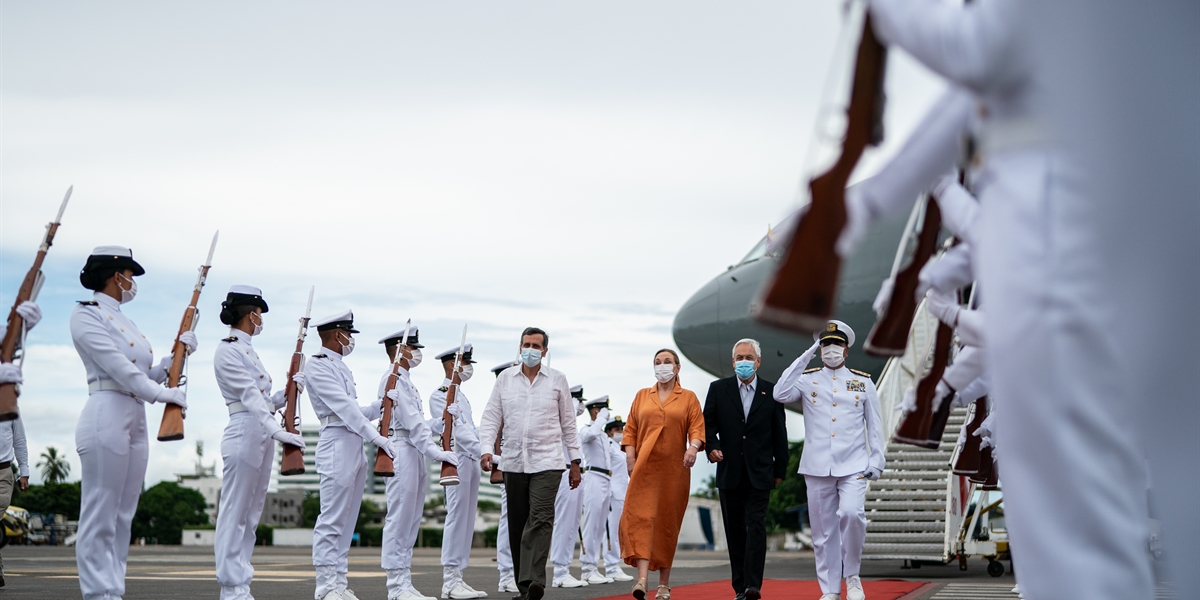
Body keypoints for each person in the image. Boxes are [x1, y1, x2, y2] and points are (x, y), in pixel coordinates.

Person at [70, 246, 193, 600]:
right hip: (105, 408)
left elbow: (144, 372)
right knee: (101, 512)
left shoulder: (127, 321)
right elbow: (116, 367)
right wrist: (159, 394)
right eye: (129, 275)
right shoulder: (86, 314)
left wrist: (176, 358)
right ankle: (97, 594)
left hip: (135, 412)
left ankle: (113, 591)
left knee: (124, 515)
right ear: (114, 275)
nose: (132, 282)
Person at [773, 321, 883, 600]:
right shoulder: (807, 379)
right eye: (825, 344)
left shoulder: (863, 381)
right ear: (819, 349)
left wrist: (876, 460)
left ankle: (853, 576)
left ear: (846, 350)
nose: (831, 349)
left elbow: (876, 426)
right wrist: (806, 355)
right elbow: (780, 393)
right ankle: (831, 589)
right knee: (822, 533)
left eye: (836, 344)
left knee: (852, 514)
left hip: (855, 464)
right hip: (818, 465)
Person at [213, 285, 307, 600]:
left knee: (251, 515)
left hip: (261, 431)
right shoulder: (228, 349)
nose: (261, 319)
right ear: (251, 314)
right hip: (244, 429)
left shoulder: (248, 350)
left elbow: (265, 400)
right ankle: (230, 588)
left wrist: (289, 392)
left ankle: (241, 586)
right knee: (235, 513)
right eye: (259, 313)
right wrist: (277, 431)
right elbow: (250, 397)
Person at [479, 327, 581, 600]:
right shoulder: (505, 380)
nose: (531, 349)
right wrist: (487, 449)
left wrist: (575, 462)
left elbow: (569, 424)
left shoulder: (558, 380)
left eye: (536, 345)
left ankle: (534, 580)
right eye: (526, 344)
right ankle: (525, 588)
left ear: (544, 351)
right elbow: (491, 416)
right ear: (519, 346)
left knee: (541, 519)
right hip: (513, 461)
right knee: (518, 524)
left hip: (548, 462)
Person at [305, 310, 394, 600]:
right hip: (336, 441)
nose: (350, 340)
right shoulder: (317, 366)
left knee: (347, 520)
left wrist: (378, 407)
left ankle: (338, 582)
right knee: (331, 518)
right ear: (336, 334)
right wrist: (375, 436)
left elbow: (354, 408)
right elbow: (343, 409)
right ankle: (325, 585)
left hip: (353, 441)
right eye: (348, 334)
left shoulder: (340, 366)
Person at [377, 325, 460, 600]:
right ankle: (395, 585)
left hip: (414, 450)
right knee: (399, 519)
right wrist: (436, 453)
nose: (416, 353)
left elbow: (418, 422)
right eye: (412, 348)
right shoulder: (393, 380)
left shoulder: (406, 381)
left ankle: (405, 580)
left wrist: (440, 421)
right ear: (401, 350)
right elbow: (411, 424)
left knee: (411, 521)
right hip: (403, 449)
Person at [702, 339, 788, 600]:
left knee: (757, 526)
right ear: (732, 362)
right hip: (730, 470)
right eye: (739, 357)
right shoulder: (718, 389)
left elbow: (779, 434)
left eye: (748, 357)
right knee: (735, 531)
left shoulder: (771, 393)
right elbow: (707, 425)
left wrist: (780, 470)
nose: (744, 362)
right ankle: (739, 586)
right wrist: (711, 447)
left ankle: (753, 585)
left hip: (761, 472)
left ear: (758, 361)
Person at [619, 348, 704, 600]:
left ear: (677, 368)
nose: (662, 366)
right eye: (658, 362)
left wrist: (693, 448)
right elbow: (630, 430)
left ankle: (664, 584)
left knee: (667, 523)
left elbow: (697, 428)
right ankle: (642, 580)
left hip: (674, 471)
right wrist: (630, 459)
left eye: (667, 362)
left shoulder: (688, 397)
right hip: (643, 469)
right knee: (642, 520)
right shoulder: (642, 396)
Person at [428, 343, 487, 600]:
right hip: (457, 461)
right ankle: (449, 581)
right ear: (453, 365)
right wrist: (485, 452)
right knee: (456, 519)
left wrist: (483, 449)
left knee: (466, 520)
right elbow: (460, 434)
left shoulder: (461, 396)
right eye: (466, 363)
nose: (469, 368)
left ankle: (458, 578)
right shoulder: (440, 394)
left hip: (470, 460)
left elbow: (470, 430)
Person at [550, 385, 587, 589]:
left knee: (572, 524)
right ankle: (559, 572)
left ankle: (564, 569)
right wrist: (570, 407)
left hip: (574, 472)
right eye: (577, 401)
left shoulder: (574, 426)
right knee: (564, 523)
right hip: (563, 471)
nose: (581, 405)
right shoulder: (562, 417)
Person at [578, 395, 616, 585]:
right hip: (593, 478)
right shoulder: (587, 430)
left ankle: (594, 566)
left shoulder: (602, 434)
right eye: (603, 410)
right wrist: (600, 419)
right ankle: (587, 568)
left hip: (606, 479)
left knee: (601, 526)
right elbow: (589, 435)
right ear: (595, 411)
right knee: (592, 525)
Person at [489, 360, 520, 594]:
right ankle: (506, 574)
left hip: (522, 468)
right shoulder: (498, 406)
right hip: (507, 468)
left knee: (521, 521)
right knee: (508, 520)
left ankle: (516, 573)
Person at [603, 418, 633, 583]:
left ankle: (614, 565)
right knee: (611, 531)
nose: (620, 431)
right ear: (609, 431)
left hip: (621, 493)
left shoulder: (620, 448)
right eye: (616, 429)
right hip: (612, 493)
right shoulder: (607, 445)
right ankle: (611, 567)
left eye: (621, 429)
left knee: (618, 531)